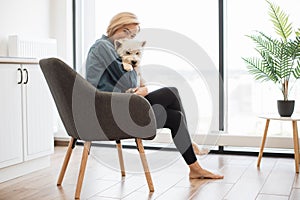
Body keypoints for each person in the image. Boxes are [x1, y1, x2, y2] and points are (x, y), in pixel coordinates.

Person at [85, 12, 223, 179]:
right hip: (110, 112)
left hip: (123, 103)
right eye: (126, 32)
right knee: (172, 103)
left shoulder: (117, 49)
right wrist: (141, 84)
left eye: (133, 35)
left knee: (174, 109)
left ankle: (194, 165)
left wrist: (141, 87)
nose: (129, 37)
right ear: (115, 27)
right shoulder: (103, 47)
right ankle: (191, 151)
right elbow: (128, 82)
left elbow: (131, 83)